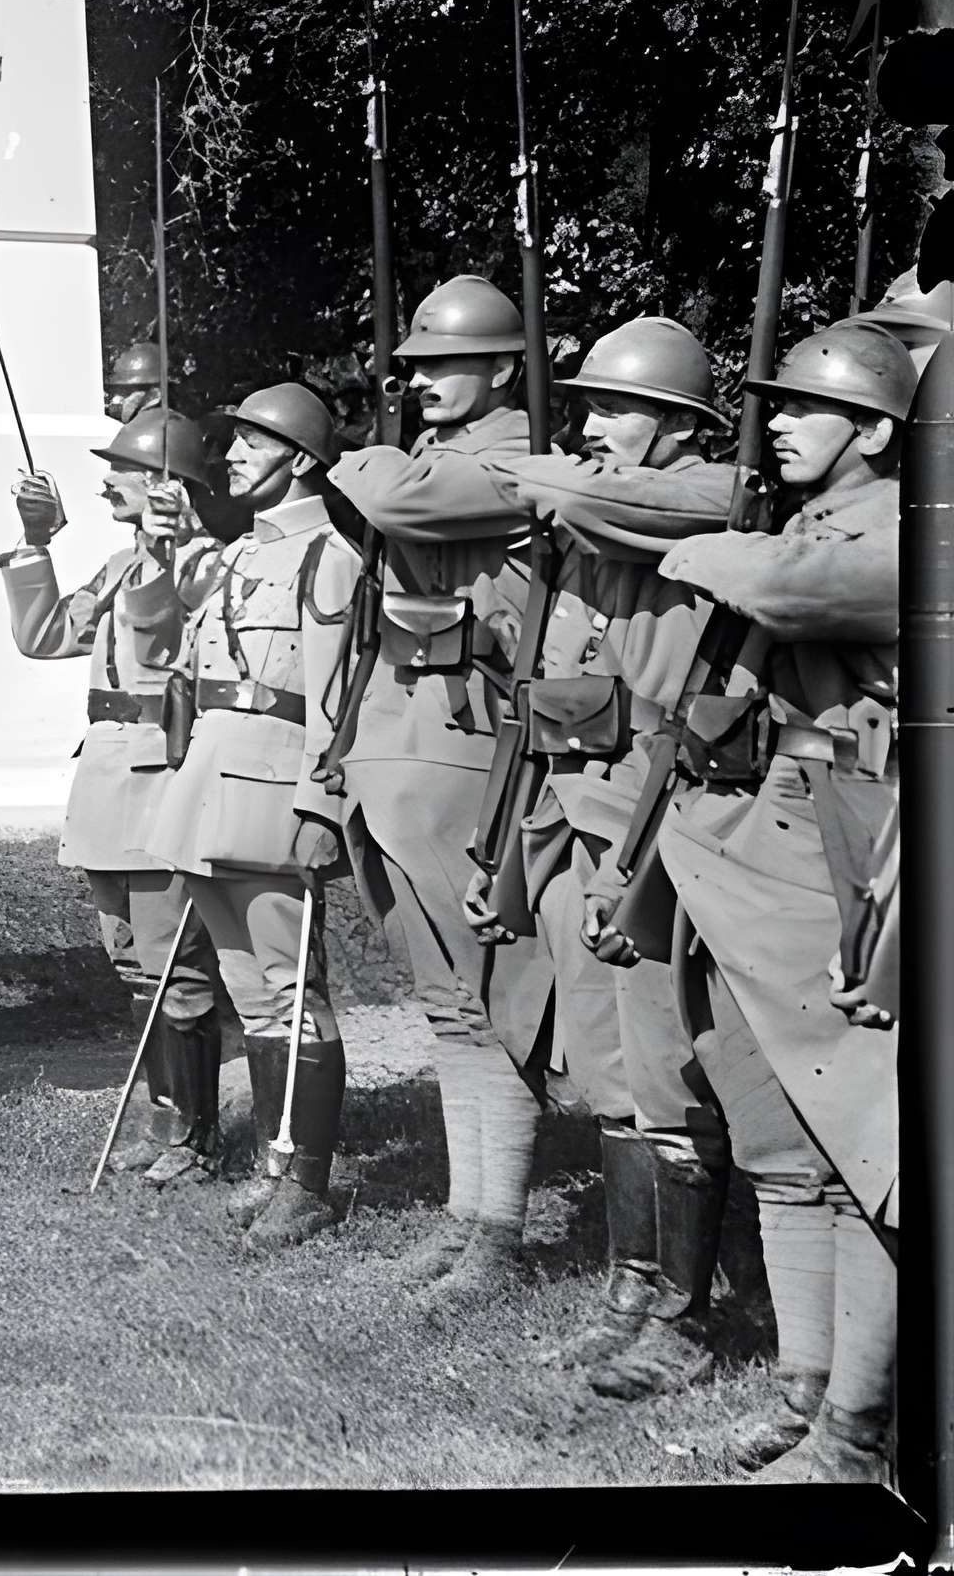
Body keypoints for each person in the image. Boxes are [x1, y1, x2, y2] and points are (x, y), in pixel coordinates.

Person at [637, 319, 904, 1483]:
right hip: (764, 831)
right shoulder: (801, 518)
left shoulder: (900, 524)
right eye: (774, 403)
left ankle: (854, 1430)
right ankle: (805, 1384)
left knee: (862, 1140)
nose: (779, 420)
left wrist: (709, 546)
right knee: (786, 1136)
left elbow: (799, 593)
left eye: (805, 406)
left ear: (880, 430)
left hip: (852, 844)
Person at [485, 318, 745, 1393]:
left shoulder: (710, 494)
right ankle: (628, 1289)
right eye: (584, 407)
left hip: (654, 821)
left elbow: (607, 501)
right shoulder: (604, 510)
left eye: (612, 409)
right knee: (606, 1070)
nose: (591, 429)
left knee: (667, 1072)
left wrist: (550, 475)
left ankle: (680, 1315)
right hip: (572, 814)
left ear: (681, 427)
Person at [324, 273, 549, 1304]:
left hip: (465, 750)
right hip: (396, 745)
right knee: (446, 1007)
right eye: (412, 369)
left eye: (444, 366)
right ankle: (467, 1220)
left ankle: (497, 1231)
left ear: (503, 368)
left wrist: (357, 449)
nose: (421, 384)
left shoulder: (511, 458)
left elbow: (392, 500)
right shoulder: (421, 458)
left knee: (488, 1006)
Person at [140, 382, 364, 1244]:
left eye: (251, 442)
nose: (229, 455)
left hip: (276, 795)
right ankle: (277, 1167)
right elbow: (176, 646)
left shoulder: (328, 558)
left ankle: (306, 1182)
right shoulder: (237, 557)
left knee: (292, 989)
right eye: (231, 440)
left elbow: (336, 698)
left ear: (300, 460)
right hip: (209, 788)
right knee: (251, 993)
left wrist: (320, 802)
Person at [0, 404, 227, 1179]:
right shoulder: (122, 563)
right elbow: (44, 636)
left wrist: (168, 549)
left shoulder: (204, 565)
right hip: (106, 780)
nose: (106, 481)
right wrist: (37, 546)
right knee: (131, 959)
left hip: (164, 776)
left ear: (173, 484)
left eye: (125, 469)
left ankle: (194, 1139)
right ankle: (163, 1126)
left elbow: (164, 632)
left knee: (175, 966)